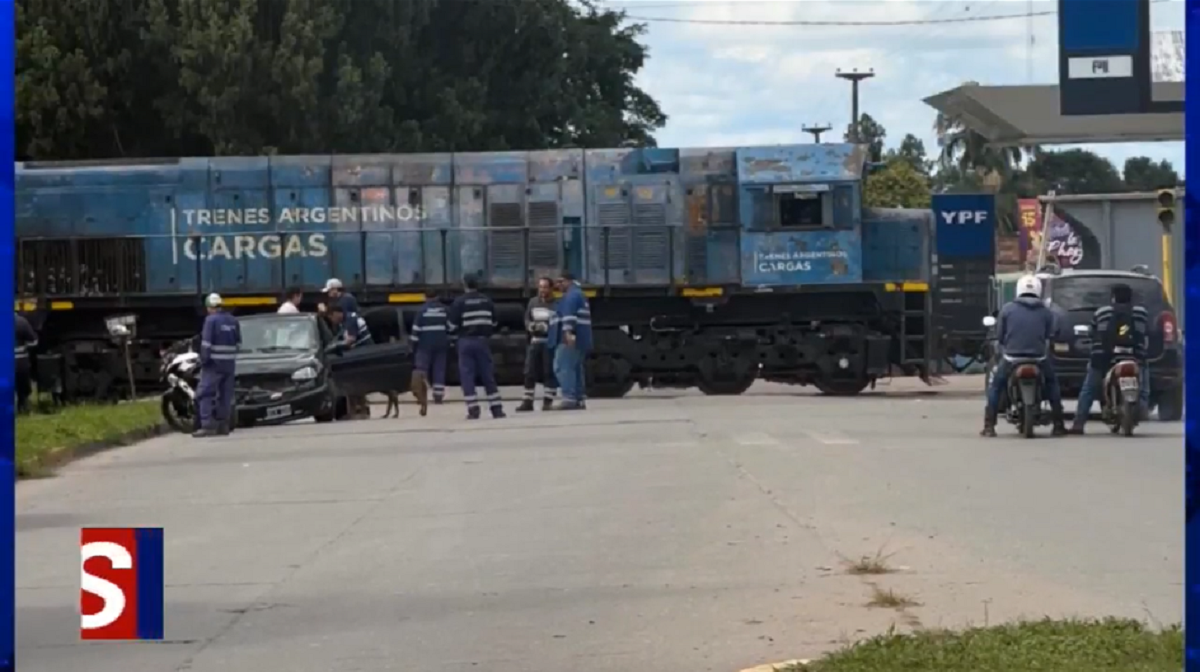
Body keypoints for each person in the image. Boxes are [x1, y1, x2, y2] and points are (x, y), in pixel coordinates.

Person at [981, 274, 1066, 437]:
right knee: (1052, 384)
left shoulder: (1007, 309)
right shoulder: (1046, 311)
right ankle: (1058, 424)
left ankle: (989, 425)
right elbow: (1051, 333)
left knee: (996, 386)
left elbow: (1000, 335)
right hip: (1039, 358)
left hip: (1011, 358)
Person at [1068, 283, 1150, 434]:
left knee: (1089, 389)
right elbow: (1147, 333)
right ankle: (1142, 410)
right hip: (1135, 357)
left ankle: (1078, 424)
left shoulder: (1102, 313)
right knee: (1144, 388)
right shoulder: (1141, 313)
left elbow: (1092, 333)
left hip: (1103, 358)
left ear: (1113, 298)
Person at [448, 273, 505, 420]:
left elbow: (451, 325)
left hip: (465, 342)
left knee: (467, 376)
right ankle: (497, 409)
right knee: (488, 374)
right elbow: (494, 322)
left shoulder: (459, 302)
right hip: (482, 341)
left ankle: (473, 410)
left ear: (464, 284)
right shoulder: (487, 301)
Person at [194, 293, 241, 437]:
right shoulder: (233, 320)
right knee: (225, 395)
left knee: (205, 393)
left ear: (209, 307)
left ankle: (207, 426)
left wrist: (203, 361)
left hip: (213, 365)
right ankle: (223, 426)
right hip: (229, 365)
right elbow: (238, 344)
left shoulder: (210, 320)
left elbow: (206, 344)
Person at [548, 270, 592, 411]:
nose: (558, 285)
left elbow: (569, 316)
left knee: (562, 366)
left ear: (569, 281)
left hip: (568, 339)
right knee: (575, 368)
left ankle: (569, 398)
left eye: (561, 282)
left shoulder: (571, 296)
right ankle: (579, 399)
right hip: (581, 337)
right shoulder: (580, 294)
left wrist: (568, 333)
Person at [517, 278, 559, 412]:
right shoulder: (533, 302)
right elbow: (527, 318)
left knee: (548, 372)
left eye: (545, 287)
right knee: (529, 372)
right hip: (535, 342)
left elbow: (558, 322)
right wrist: (531, 326)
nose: (542, 290)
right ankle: (527, 402)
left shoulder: (556, 304)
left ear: (551, 288)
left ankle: (548, 402)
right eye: (540, 287)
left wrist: (547, 327)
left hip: (549, 343)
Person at [411, 290, 450, 411]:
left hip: (424, 345)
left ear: (425, 297)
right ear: (437, 297)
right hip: (441, 344)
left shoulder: (422, 311)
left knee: (421, 370)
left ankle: (421, 396)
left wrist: (412, 345)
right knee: (439, 369)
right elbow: (451, 327)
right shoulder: (445, 310)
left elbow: (416, 330)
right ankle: (438, 396)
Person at [15, 313, 38, 414]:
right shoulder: (21, 322)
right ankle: (23, 406)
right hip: (20, 360)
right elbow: (34, 341)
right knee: (23, 387)